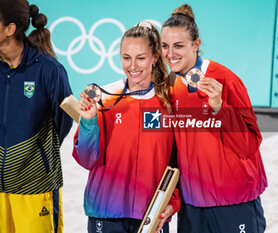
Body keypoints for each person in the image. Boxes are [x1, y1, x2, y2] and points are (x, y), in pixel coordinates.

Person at [161, 4, 268, 233]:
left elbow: (249, 144)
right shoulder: (168, 87)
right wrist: (174, 199)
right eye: (165, 46)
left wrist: (221, 108)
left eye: (178, 46)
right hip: (193, 206)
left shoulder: (226, 80)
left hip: (233, 202)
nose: (170, 53)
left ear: (196, 45)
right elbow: (172, 154)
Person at [72, 21, 180, 233]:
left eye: (141, 58)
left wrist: (172, 202)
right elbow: (86, 159)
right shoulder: (106, 99)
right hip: (105, 212)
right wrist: (88, 122)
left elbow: (179, 163)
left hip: (152, 215)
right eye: (126, 58)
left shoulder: (169, 103)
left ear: (155, 57)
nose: (133, 66)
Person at [0, 1, 73, 233]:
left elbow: (64, 121)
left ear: (10, 29)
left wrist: (36, 155)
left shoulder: (49, 70)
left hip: (35, 186)